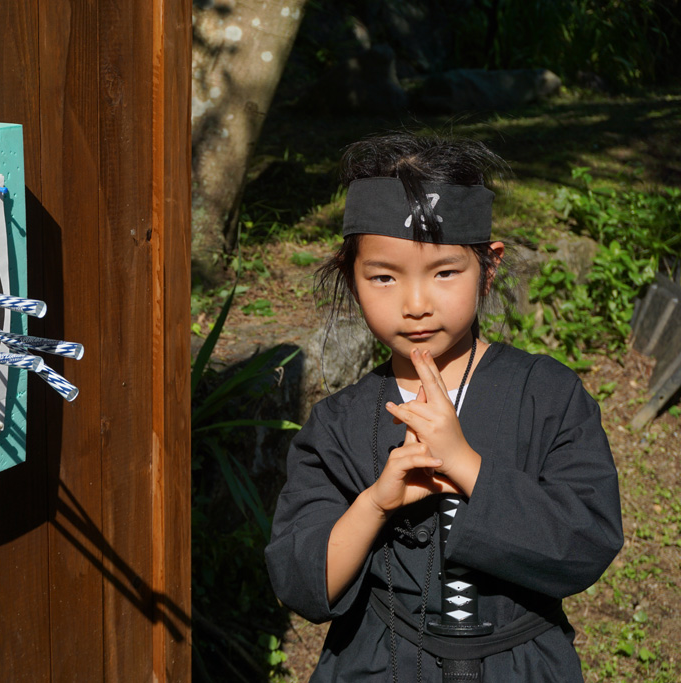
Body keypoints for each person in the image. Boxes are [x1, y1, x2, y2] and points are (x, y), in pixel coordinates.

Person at [264, 133, 623, 682]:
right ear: (350, 275)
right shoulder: (337, 425)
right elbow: (302, 583)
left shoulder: (547, 395)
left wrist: (467, 466)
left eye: (445, 272)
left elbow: (587, 543)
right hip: (378, 664)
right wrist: (376, 504)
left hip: (523, 666)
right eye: (383, 276)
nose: (415, 305)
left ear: (489, 265)